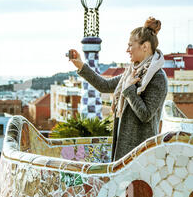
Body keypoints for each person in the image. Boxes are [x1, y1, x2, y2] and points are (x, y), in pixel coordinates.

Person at [69, 17, 168, 161]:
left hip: (140, 155)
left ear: (145, 47)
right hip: (123, 150)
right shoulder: (132, 72)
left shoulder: (158, 78)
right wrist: (80, 65)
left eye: (130, 45)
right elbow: (105, 85)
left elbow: (145, 115)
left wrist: (129, 90)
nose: (127, 50)